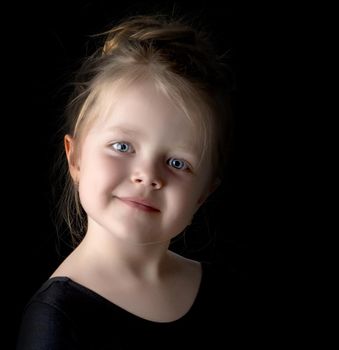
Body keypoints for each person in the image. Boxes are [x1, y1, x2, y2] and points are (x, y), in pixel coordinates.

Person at [17, 14, 235, 349]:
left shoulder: (220, 290)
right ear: (75, 158)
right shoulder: (57, 318)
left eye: (177, 163)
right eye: (122, 146)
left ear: (203, 194)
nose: (147, 175)